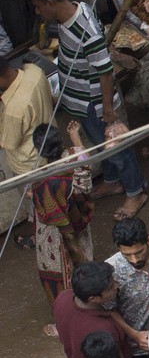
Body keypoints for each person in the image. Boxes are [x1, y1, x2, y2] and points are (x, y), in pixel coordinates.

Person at [28, 0, 147, 220]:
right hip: (81, 101)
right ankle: (113, 182)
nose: (37, 12)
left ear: (50, 3)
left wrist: (108, 110)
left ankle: (136, 191)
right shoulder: (71, 13)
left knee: (116, 149)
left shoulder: (86, 31)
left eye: (39, 6)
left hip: (96, 105)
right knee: (101, 145)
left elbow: (105, 72)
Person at [53, 263, 133, 358]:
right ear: (93, 298)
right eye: (110, 287)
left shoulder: (63, 298)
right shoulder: (105, 329)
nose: (116, 286)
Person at [30, 124, 94, 305]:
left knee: (57, 273)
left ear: (39, 150)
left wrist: (32, 195)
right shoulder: (74, 160)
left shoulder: (41, 179)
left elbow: (43, 207)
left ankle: (67, 312)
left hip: (54, 233)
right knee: (83, 262)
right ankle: (91, 299)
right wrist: (75, 136)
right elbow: (86, 162)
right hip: (77, 223)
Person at [0, 55, 53, 186]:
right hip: (52, 144)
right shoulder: (34, 70)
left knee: (44, 202)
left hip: (30, 166)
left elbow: (9, 142)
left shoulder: (12, 110)